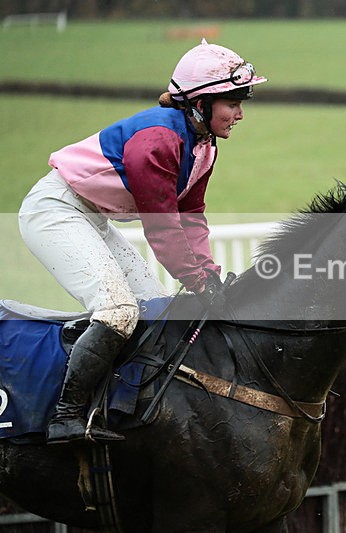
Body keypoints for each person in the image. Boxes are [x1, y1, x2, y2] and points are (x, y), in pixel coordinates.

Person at [18, 40, 267, 444]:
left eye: (242, 101)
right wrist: (200, 283)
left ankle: (120, 408)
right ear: (201, 103)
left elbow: (191, 217)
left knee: (154, 312)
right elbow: (163, 228)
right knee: (118, 311)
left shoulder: (204, 145)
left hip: (92, 215)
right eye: (232, 102)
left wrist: (210, 275)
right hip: (56, 210)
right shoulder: (159, 140)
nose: (240, 113)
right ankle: (65, 417)